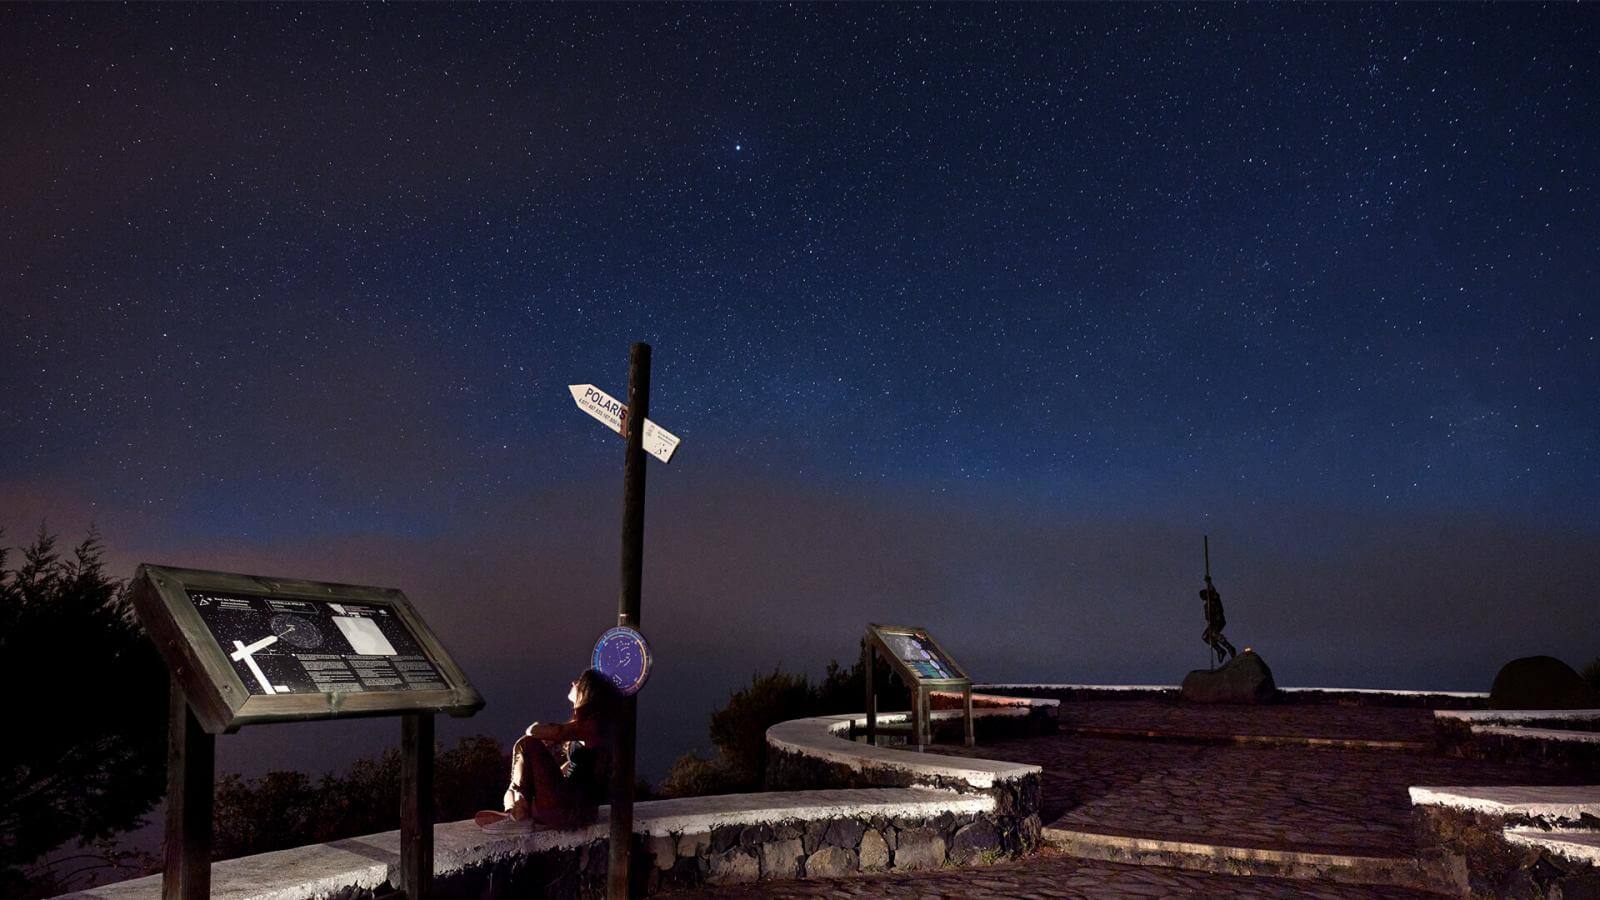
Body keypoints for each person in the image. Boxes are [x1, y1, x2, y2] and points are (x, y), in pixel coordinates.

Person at [476, 669, 620, 833]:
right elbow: (574, 771)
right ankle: (516, 813)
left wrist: (535, 729)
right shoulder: (587, 730)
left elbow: (545, 732)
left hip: (572, 811)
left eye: (579, 681)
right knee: (513, 789)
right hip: (571, 808)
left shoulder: (593, 725)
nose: (573, 682)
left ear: (588, 691)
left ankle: (518, 814)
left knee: (527, 743)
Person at [1200, 576, 1237, 666]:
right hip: (1212, 623)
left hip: (1219, 620)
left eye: (1204, 595)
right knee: (1205, 637)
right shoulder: (1206, 604)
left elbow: (1212, 589)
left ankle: (1229, 647)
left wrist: (1209, 582)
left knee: (1213, 632)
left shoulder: (1214, 598)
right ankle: (1220, 650)